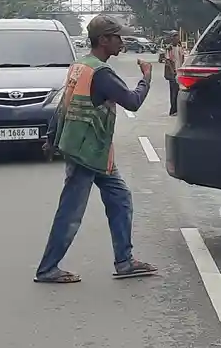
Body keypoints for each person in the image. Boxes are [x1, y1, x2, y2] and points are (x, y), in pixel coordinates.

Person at [33, 15, 157, 284]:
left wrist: (51, 138)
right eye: (117, 38)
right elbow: (133, 102)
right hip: (85, 152)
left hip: (95, 151)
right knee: (71, 212)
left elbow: (63, 106)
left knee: (120, 199)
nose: (122, 43)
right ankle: (47, 268)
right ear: (103, 40)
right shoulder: (101, 74)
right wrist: (147, 78)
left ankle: (125, 261)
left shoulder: (80, 67)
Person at [159, 31, 185, 116]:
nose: (176, 38)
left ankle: (177, 109)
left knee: (178, 91)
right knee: (174, 91)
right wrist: (173, 71)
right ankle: (173, 110)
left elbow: (182, 57)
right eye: (174, 37)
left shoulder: (179, 46)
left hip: (179, 71)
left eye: (177, 37)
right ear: (172, 38)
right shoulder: (169, 48)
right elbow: (168, 60)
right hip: (173, 73)